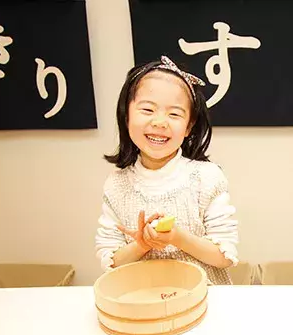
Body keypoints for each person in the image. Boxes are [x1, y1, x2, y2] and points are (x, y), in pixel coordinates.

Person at [95, 56, 238, 285]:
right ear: (126, 115)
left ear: (189, 126)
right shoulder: (116, 184)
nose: (160, 122)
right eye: (148, 109)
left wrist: (177, 237)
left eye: (174, 114)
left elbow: (225, 256)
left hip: (204, 301)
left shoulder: (207, 177)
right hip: (142, 302)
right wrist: (142, 244)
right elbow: (111, 263)